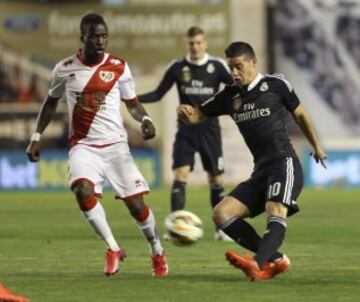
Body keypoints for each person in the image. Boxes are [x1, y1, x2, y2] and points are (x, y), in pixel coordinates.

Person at [26, 13, 168, 277]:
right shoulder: (64, 68)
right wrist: (36, 137)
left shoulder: (119, 66)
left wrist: (145, 119)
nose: (100, 41)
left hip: (116, 146)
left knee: (136, 206)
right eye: (94, 36)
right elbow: (50, 102)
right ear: (83, 38)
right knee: (82, 190)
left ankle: (157, 250)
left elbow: (132, 103)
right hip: (83, 146)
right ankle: (113, 247)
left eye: (104, 36)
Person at [177, 41, 327, 281]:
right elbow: (196, 116)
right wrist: (184, 113)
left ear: (253, 62)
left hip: (283, 162)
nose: (234, 73)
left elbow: (299, 113)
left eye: (239, 66)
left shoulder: (276, 85)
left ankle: (256, 263)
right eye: (230, 68)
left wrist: (317, 147)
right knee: (221, 213)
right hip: (261, 171)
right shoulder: (230, 96)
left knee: (275, 209)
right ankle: (276, 259)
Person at [138, 26, 234, 241]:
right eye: (192, 43)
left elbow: (235, 89)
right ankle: (175, 226)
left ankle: (221, 229)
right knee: (180, 176)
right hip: (186, 129)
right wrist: (132, 99)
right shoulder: (177, 67)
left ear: (205, 43)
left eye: (199, 42)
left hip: (210, 129)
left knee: (216, 179)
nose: (195, 47)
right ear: (186, 43)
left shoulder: (217, 66)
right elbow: (158, 93)